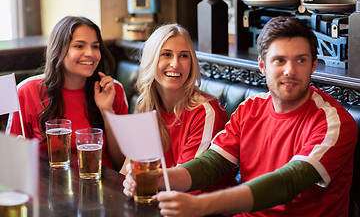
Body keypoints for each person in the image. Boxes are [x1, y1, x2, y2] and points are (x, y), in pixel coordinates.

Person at [123, 16, 358, 216]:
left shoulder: (334, 122)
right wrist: (157, 178)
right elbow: (209, 165)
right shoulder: (250, 109)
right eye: (280, 60)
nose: (290, 70)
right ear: (263, 66)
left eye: (301, 60)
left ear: (314, 65)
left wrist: (200, 205)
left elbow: (288, 183)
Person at [121, 23, 237, 193]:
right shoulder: (146, 105)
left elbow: (189, 185)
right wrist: (128, 184)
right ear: (151, 60)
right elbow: (128, 170)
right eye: (166, 54)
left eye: (184, 56)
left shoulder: (205, 111)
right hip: (159, 200)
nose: (175, 64)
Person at [6, 16, 128, 169]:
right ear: (58, 51)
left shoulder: (112, 89)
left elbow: (122, 162)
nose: (90, 53)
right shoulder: (27, 91)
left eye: (95, 46)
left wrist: (106, 111)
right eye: (79, 46)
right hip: (47, 187)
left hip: (102, 184)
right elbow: (9, 160)